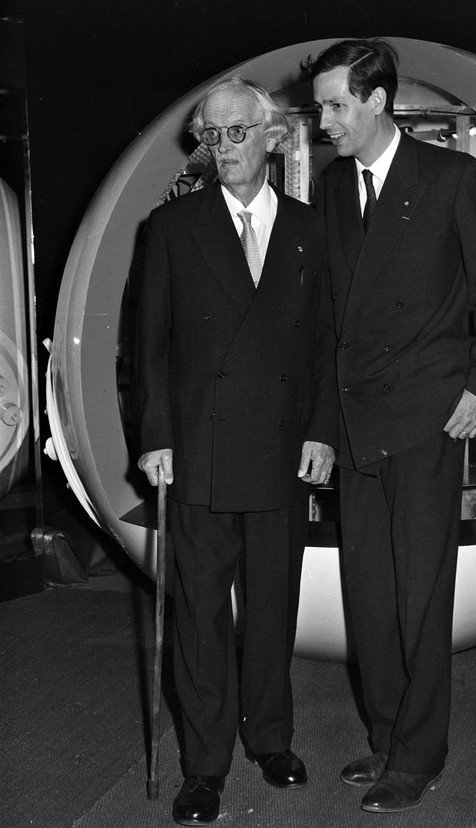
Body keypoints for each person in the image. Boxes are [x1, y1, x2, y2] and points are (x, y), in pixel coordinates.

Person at [305, 39, 476, 814]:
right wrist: (322, 427)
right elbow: (331, 317)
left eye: (335, 104)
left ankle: (420, 754)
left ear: (377, 101)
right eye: (323, 104)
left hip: (430, 417)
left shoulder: (452, 179)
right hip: (359, 419)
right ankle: (388, 735)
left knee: (421, 593)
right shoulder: (334, 189)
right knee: (369, 594)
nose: (323, 119)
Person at [133, 76, 337, 826]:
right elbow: (148, 346)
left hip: (284, 451)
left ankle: (271, 740)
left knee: (273, 607)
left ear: (274, 137)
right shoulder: (173, 228)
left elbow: (324, 346)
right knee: (199, 617)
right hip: (197, 455)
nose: (224, 150)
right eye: (211, 137)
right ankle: (206, 765)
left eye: (238, 133)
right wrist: (154, 437)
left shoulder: (313, 230)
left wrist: (321, 430)